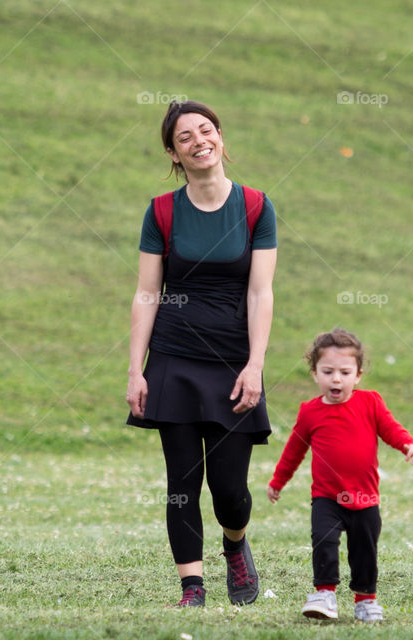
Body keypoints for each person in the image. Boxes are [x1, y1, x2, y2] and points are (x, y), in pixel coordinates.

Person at [125, 100, 278, 608]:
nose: (198, 141)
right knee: (182, 483)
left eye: (205, 130)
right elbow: (147, 293)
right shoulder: (161, 212)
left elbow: (261, 292)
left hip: (234, 363)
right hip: (174, 359)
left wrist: (255, 365)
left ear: (220, 137)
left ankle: (235, 544)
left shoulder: (255, 206)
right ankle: (192, 588)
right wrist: (136, 370)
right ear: (174, 153)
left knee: (230, 490)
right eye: (185, 137)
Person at [266, 328, 413, 622]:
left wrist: (408, 444)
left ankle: (366, 601)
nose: (336, 379)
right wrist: (278, 482)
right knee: (323, 540)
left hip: (365, 498)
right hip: (326, 497)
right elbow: (293, 451)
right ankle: (324, 594)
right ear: (315, 374)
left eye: (345, 372)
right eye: (328, 372)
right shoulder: (310, 412)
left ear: (358, 375)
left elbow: (391, 429)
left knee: (364, 551)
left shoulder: (370, 403)